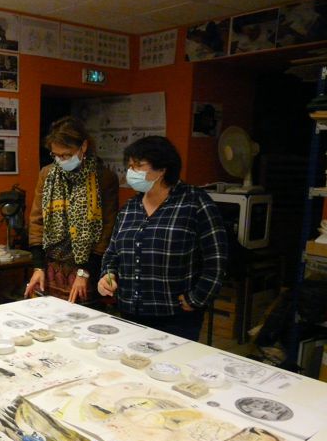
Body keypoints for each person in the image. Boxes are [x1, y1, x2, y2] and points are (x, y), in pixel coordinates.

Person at [98, 135, 227, 341]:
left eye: (139, 166)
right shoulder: (130, 208)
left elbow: (216, 260)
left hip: (175, 317)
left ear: (162, 169)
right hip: (130, 312)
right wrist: (108, 275)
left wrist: (197, 298)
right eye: (130, 166)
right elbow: (113, 253)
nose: (131, 172)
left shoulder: (194, 202)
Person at [25, 116, 119, 304]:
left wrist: (84, 272)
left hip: (86, 268)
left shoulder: (103, 178)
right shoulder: (47, 174)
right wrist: (38, 267)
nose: (61, 160)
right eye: (56, 155)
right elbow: (37, 220)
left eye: (66, 155)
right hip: (51, 266)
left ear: (83, 146)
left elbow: (107, 230)